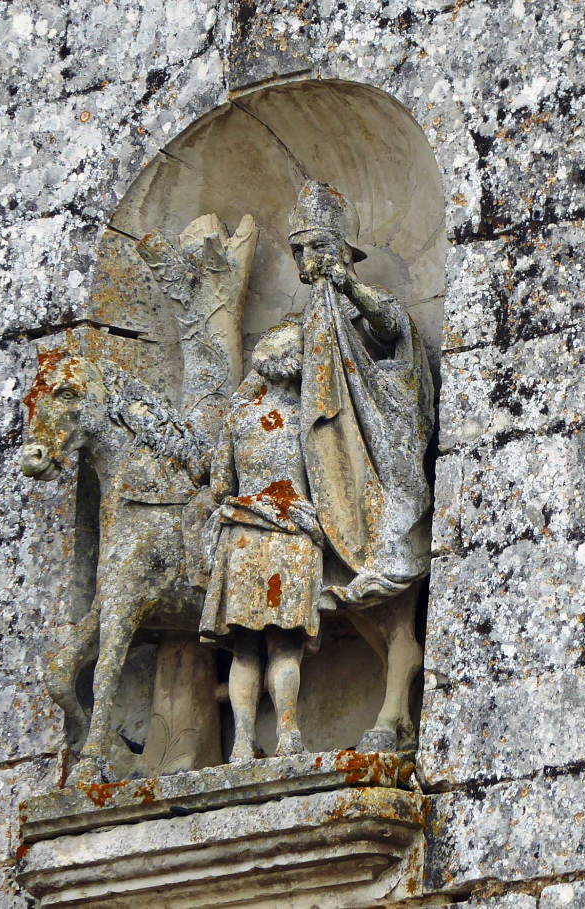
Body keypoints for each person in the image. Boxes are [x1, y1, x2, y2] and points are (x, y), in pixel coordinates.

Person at [288, 181, 434, 608]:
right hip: (328, 423)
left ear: (345, 251)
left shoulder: (363, 300)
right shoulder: (307, 319)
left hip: (379, 420)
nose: (306, 259)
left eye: (317, 246)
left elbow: (392, 328)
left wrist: (348, 287)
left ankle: (382, 558)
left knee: (390, 494)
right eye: (298, 251)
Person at [200, 319, 324, 760]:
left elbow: (220, 487)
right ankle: (288, 733)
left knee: (245, 648)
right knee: (284, 644)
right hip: (292, 536)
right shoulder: (309, 419)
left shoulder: (238, 418)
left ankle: (239, 744)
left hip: (242, 540)